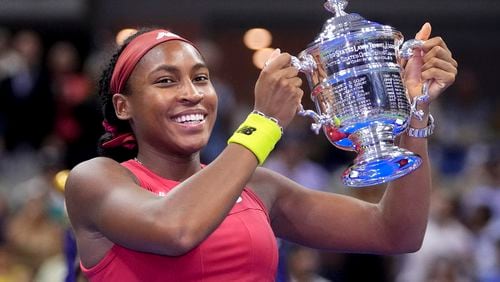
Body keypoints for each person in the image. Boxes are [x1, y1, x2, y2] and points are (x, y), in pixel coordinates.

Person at [64, 23, 457, 281]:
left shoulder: (257, 185)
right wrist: (264, 122)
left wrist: (414, 113)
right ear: (123, 106)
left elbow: (396, 232)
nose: (191, 94)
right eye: (166, 81)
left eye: (200, 78)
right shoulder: (95, 179)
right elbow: (176, 229)